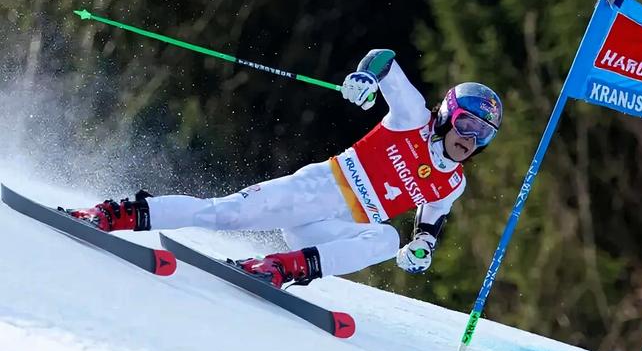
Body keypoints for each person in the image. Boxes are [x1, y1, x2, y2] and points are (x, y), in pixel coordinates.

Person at [68, 49, 503, 288]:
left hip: (328, 230)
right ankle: (113, 214)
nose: (470, 137)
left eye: (482, 134)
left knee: (388, 238)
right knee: (220, 214)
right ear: (448, 114)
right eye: (466, 122)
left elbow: (430, 220)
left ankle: (282, 267)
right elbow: (383, 59)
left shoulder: (453, 183)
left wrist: (422, 247)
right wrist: (365, 78)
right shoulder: (413, 117)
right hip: (319, 189)